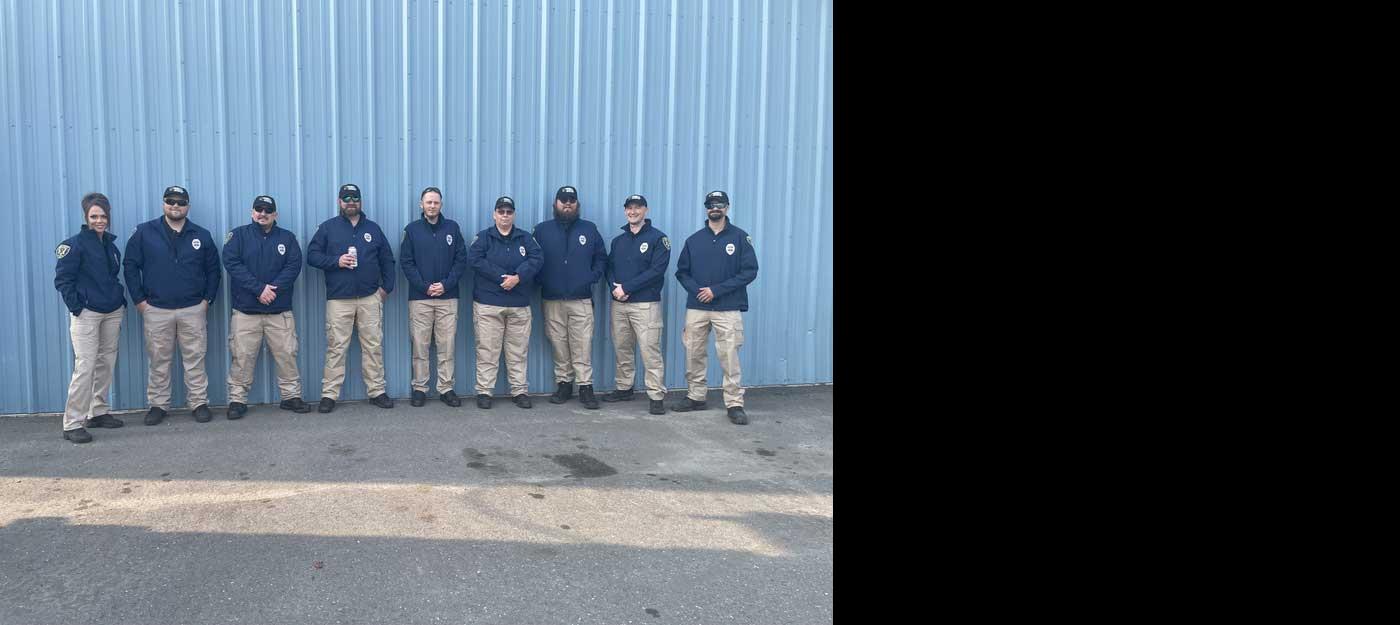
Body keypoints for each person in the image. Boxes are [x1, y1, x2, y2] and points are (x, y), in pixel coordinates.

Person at [123, 185, 221, 425]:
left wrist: (206, 300)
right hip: (156, 309)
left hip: (192, 308)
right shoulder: (145, 232)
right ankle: (158, 405)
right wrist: (140, 301)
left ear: (187, 206)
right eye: (170, 201)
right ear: (163, 203)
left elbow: (213, 270)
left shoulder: (201, 234)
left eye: (180, 202)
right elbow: (130, 266)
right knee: (158, 360)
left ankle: (198, 403)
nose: (175, 206)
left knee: (195, 358)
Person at [306, 183, 397, 413]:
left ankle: (377, 391)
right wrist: (335, 261)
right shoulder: (328, 228)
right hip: (339, 299)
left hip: (369, 298)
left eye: (354, 197)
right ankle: (329, 394)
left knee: (373, 346)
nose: (350, 201)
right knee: (336, 347)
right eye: (346, 198)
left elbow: (387, 260)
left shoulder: (373, 229)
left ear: (360, 201)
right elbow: (312, 256)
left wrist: (386, 289)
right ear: (339, 202)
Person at [672, 190, 758, 425]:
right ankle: (696, 396)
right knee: (694, 352)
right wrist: (699, 291)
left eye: (719, 204)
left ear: (727, 207)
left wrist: (716, 291)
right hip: (697, 306)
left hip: (728, 307)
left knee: (729, 355)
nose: (715, 207)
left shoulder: (740, 238)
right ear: (706, 208)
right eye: (711, 204)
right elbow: (682, 272)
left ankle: (734, 403)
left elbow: (750, 271)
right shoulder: (694, 240)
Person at [222, 194, 311, 419]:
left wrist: (274, 289)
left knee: (287, 354)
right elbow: (232, 263)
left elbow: (294, 266)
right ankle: (237, 400)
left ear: (275, 215)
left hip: (278, 310)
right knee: (242, 357)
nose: (262, 214)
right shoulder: (238, 236)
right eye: (258, 209)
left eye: (267, 210)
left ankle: (291, 397)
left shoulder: (287, 238)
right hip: (246, 311)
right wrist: (258, 289)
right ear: (252, 212)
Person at [53, 192, 128, 443]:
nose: (99, 220)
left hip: (112, 311)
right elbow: (63, 280)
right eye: (94, 216)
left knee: (105, 363)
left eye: (103, 216)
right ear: (86, 217)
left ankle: (98, 411)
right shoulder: (74, 245)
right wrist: (78, 307)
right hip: (88, 314)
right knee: (85, 366)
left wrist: (119, 300)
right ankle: (73, 422)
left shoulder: (110, 245)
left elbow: (112, 277)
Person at [533, 185, 607, 409]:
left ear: (577, 204)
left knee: (582, 344)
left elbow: (601, 259)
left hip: (581, 299)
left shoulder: (590, 229)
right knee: (558, 342)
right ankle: (564, 383)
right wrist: (542, 281)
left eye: (571, 200)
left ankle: (585, 386)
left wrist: (590, 278)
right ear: (555, 204)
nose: (567, 204)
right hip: (552, 299)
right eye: (563, 200)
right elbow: (532, 260)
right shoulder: (542, 230)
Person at [466, 196, 543, 409]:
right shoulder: (483, 238)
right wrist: (502, 277)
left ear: (514, 215)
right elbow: (474, 260)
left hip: (519, 304)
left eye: (509, 212)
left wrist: (518, 277)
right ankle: (484, 391)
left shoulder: (525, 238)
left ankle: (519, 391)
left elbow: (537, 259)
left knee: (518, 351)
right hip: (489, 303)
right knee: (487, 351)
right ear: (494, 214)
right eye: (501, 212)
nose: (505, 216)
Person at [399, 186, 468, 407]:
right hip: (420, 298)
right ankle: (420, 388)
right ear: (421, 204)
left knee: (447, 344)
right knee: (420, 345)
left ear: (441, 204)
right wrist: (425, 286)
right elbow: (406, 262)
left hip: (448, 297)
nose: (432, 206)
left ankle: (446, 388)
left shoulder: (452, 228)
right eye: (428, 202)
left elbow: (461, 261)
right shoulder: (412, 230)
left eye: (435, 202)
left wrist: (445, 285)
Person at [602, 194, 670, 415]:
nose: (633, 212)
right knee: (622, 347)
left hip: (645, 305)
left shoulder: (658, 239)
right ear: (625, 211)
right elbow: (609, 267)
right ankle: (624, 388)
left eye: (637, 208)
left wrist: (627, 288)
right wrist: (614, 287)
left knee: (650, 351)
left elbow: (656, 271)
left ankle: (656, 395)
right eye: (629, 208)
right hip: (619, 304)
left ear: (646, 210)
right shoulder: (618, 241)